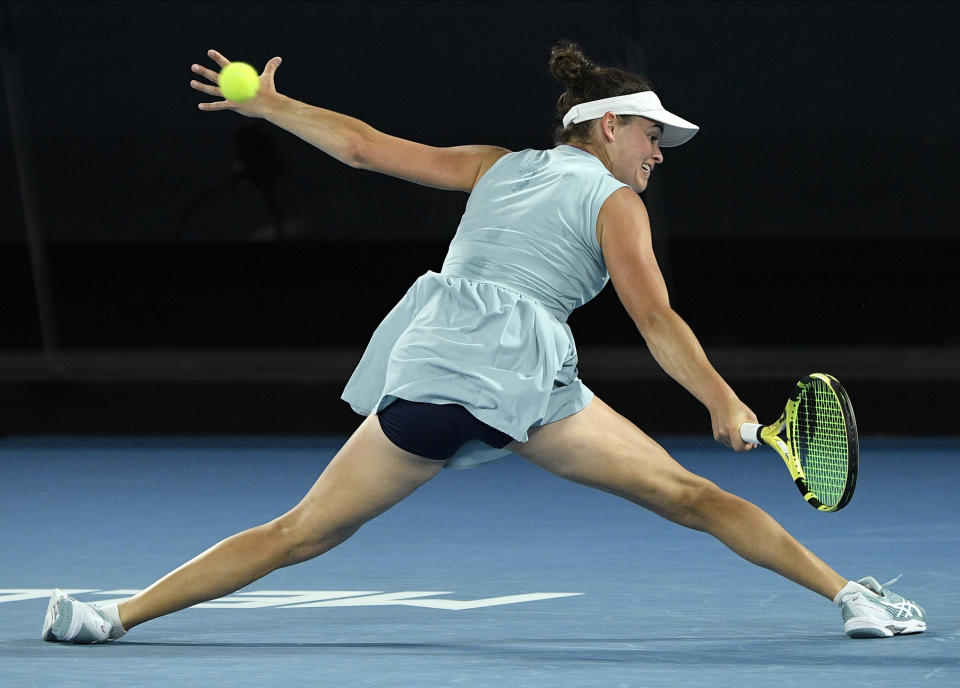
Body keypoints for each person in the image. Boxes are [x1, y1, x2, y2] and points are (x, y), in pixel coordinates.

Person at [42, 41, 925, 643]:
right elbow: (656, 318)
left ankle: (109, 618)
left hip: (437, 367)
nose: (660, 154)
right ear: (609, 125)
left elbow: (358, 148)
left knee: (299, 532)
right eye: (654, 137)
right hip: (517, 377)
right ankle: (854, 599)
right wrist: (723, 401)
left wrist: (273, 108)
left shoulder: (494, 165)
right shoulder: (619, 201)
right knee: (692, 497)